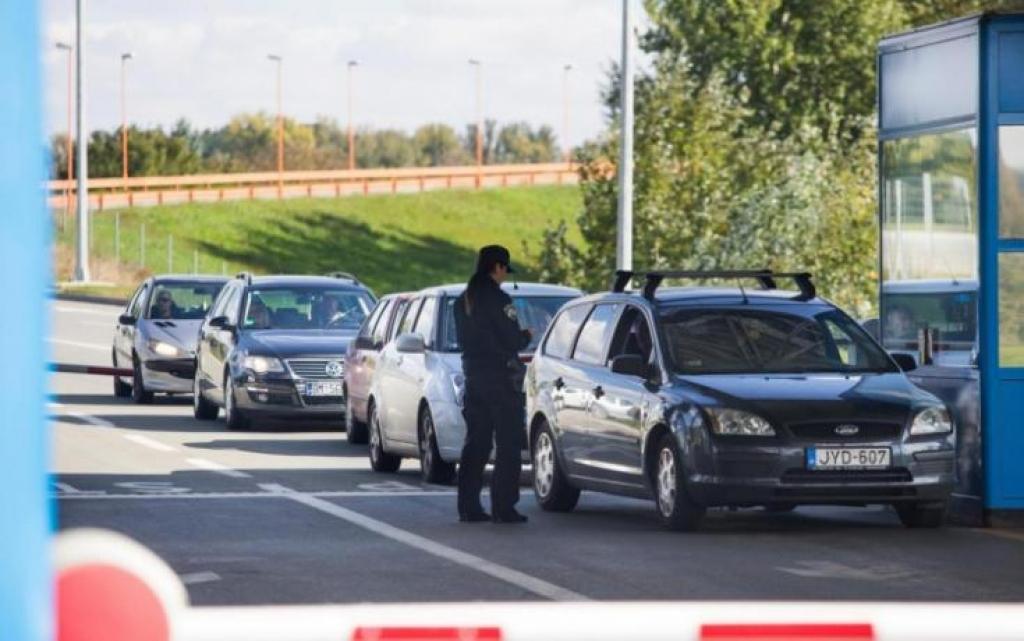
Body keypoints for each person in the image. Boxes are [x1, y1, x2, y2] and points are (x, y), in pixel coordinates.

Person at [454, 245, 531, 524]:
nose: (504, 277)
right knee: (508, 443)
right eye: (504, 271)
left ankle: (468, 506)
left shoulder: (464, 300)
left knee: (476, 443)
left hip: (474, 377)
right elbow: (511, 340)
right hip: (500, 378)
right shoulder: (499, 300)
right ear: (497, 267)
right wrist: (525, 335)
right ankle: (503, 506)